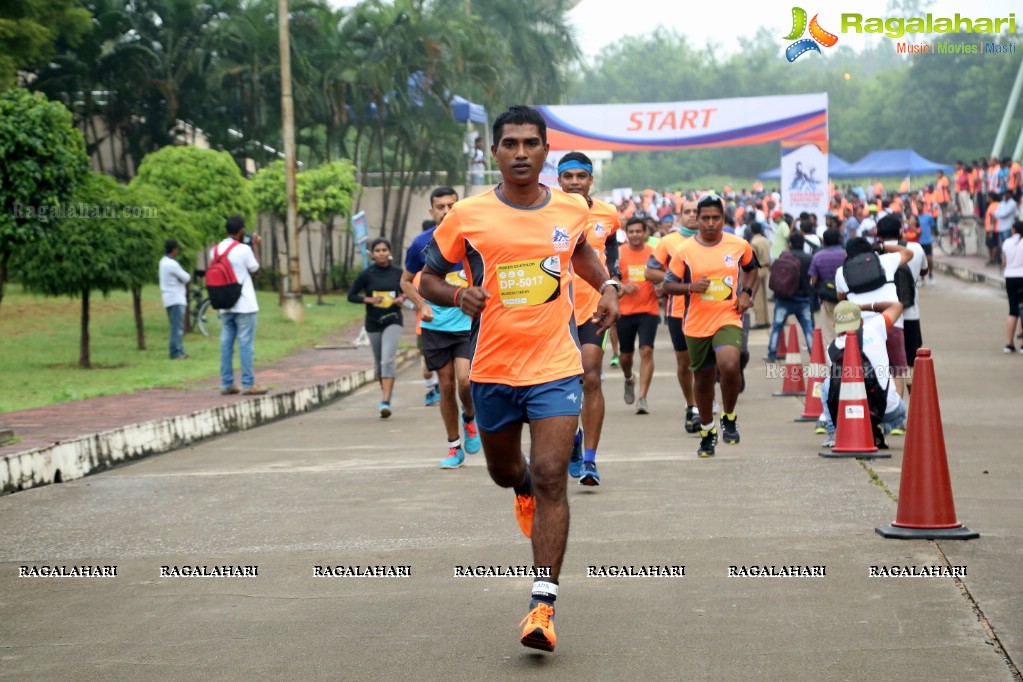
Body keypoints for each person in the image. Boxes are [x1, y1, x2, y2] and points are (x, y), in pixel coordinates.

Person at [418, 105, 619, 653]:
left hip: (555, 364)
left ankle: (542, 605)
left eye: (532, 143)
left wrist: (608, 287)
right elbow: (427, 277)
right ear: (495, 152)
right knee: (508, 472)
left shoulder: (570, 208)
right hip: (493, 371)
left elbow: (580, 254)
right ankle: (521, 486)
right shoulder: (468, 215)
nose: (522, 152)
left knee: (555, 472)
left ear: (546, 150)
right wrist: (460, 294)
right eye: (511, 144)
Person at [662, 193, 759, 458]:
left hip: (728, 316)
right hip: (695, 323)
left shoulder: (739, 245)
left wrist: (747, 294)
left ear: (723, 219)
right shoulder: (684, 251)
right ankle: (707, 431)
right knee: (703, 379)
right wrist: (690, 287)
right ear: (698, 219)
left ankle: (728, 415)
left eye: (716, 218)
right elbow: (668, 285)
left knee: (729, 364)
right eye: (705, 218)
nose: (711, 223)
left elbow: (752, 269)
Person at [401, 187, 482, 467]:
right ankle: (453, 446)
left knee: (465, 381)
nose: (446, 211)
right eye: (440, 207)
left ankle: (470, 419)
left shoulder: (472, 239)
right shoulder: (421, 244)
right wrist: (422, 306)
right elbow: (405, 281)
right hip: (436, 326)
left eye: (451, 206)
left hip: (466, 324)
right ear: (431, 211)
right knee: (445, 386)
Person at [557, 151, 621, 486]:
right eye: (568, 177)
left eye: (581, 176)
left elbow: (611, 246)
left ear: (591, 180)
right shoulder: (548, 210)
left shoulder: (607, 214)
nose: (574, 183)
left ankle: (590, 460)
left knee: (591, 378)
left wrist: (614, 278)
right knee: (564, 383)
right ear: (559, 180)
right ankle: (573, 438)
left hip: (591, 308)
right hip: (554, 313)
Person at [835, 234, 914, 404]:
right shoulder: (885, 261)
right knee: (898, 369)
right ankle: (895, 412)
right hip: (891, 321)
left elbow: (841, 299)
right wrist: (883, 247)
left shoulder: (841, 272)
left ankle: (872, 409)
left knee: (867, 368)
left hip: (861, 327)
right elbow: (908, 253)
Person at [644, 199, 700, 433]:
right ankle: (692, 405)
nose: (692, 216)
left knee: (708, 363)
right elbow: (649, 271)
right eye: (687, 212)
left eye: (696, 212)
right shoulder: (668, 242)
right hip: (678, 311)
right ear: (680, 216)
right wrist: (676, 277)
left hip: (711, 311)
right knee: (685, 363)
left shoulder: (714, 241)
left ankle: (704, 399)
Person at [820, 299, 906, 449]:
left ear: (835, 326)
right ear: (860, 321)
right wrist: (863, 306)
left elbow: (837, 388)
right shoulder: (875, 328)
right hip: (888, 408)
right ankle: (876, 429)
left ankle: (835, 433)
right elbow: (897, 306)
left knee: (828, 383)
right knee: (900, 411)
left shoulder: (831, 349)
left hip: (852, 412)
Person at [348, 237, 405, 417]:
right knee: (380, 364)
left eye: (384, 250)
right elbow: (351, 295)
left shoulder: (398, 272)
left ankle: (385, 402)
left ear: (390, 253)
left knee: (388, 360)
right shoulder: (367, 274)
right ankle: (386, 390)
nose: (381, 253)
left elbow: (408, 290)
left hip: (393, 319)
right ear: (373, 254)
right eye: (378, 250)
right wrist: (368, 299)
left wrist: (401, 298)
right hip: (373, 322)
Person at [213, 216, 266, 396]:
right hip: (245, 305)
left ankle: (227, 384)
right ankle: (248, 384)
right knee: (245, 344)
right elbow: (256, 270)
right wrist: (256, 246)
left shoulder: (216, 250)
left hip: (225, 304)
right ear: (241, 230)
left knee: (226, 344)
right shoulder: (244, 249)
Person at [875, 214, 927, 397]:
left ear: (878, 234)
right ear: (901, 231)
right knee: (911, 363)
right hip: (911, 313)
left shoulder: (876, 253)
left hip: (886, 317)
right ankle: (917, 408)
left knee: (891, 366)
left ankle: (894, 410)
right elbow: (924, 272)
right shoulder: (916, 248)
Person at [616, 217, 659, 414]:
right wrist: (623, 287)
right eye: (631, 232)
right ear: (626, 233)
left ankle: (642, 397)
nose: (635, 235)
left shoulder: (654, 254)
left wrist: (660, 288)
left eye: (638, 231)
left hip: (648, 310)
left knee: (646, 351)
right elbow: (610, 279)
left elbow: (663, 276)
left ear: (645, 233)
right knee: (626, 356)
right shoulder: (619, 253)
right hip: (625, 312)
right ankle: (628, 378)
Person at [765, 231, 814, 361]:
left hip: (784, 298)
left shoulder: (784, 256)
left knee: (777, 327)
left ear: (790, 244)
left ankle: (771, 354)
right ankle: (814, 355)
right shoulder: (808, 258)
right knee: (808, 328)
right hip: (803, 299)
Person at [809, 228, 847, 348]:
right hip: (846, 298)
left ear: (824, 241)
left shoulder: (818, 256)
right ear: (839, 239)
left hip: (827, 298)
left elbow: (813, 280)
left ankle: (833, 360)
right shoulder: (847, 254)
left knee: (829, 332)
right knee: (846, 328)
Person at [159, 238, 191, 360]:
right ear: (174, 250)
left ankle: (178, 350)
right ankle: (176, 352)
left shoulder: (162, 262)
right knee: (177, 328)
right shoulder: (172, 264)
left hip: (168, 298)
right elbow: (186, 277)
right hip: (176, 298)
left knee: (175, 326)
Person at [1001, 220, 1023, 353]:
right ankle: (1022, 344)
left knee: (1013, 311)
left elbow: (1004, 262)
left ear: (1014, 229)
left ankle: (1009, 344)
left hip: (1010, 277)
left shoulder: (1006, 243)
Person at [748, 223, 771, 328]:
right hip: (766, 268)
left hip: (758, 269)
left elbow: (752, 259)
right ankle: (766, 319)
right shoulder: (766, 240)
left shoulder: (753, 242)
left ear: (752, 231)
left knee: (757, 297)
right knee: (764, 296)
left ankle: (760, 321)